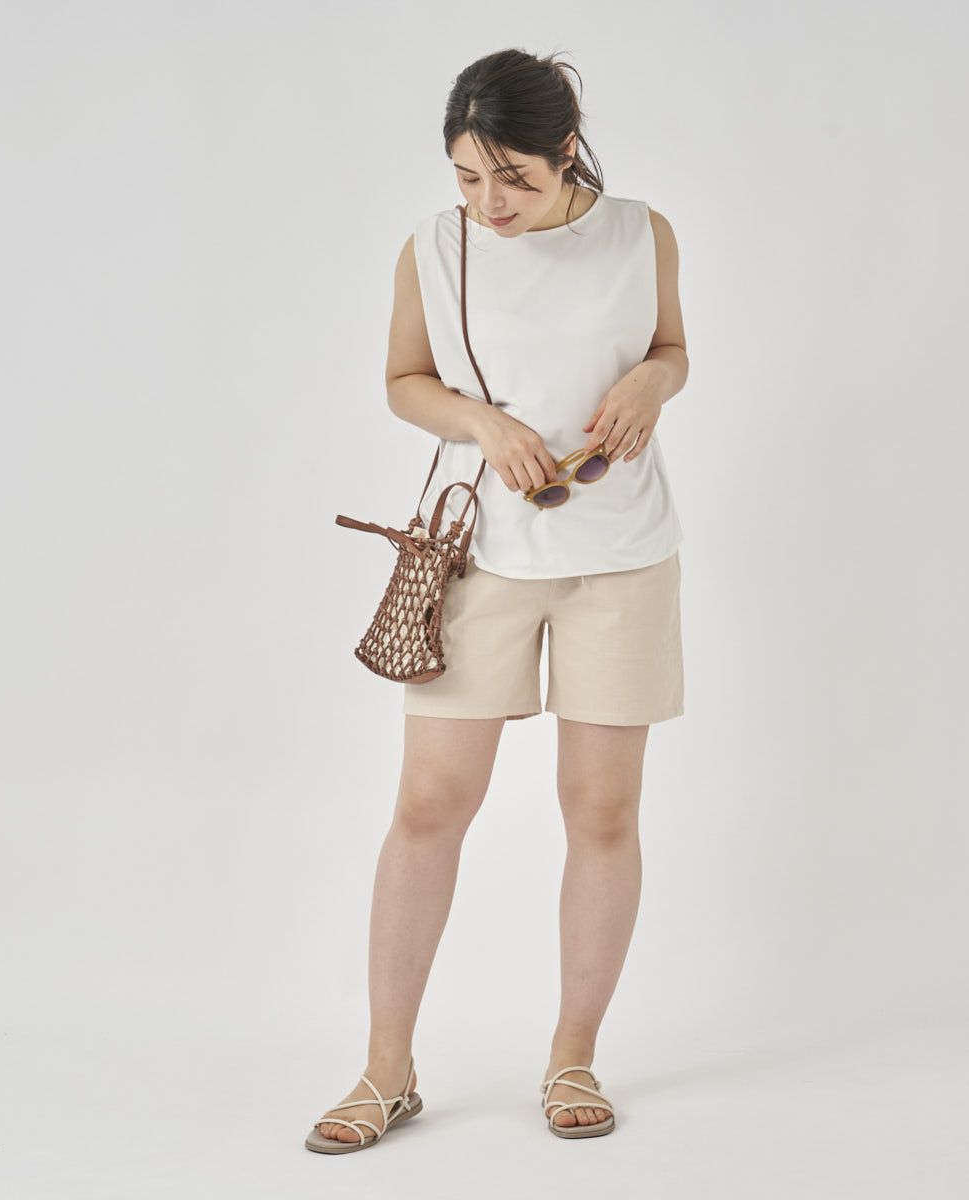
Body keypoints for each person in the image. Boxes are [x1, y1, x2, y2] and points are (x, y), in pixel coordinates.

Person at [306, 47, 688, 1153]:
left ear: (565, 151)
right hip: (477, 554)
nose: (488, 202)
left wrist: (650, 384)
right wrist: (486, 423)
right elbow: (404, 381)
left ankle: (573, 1056)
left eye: (512, 177)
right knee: (430, 804)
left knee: (601, 811)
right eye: (467, 176)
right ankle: (386, 1071)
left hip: (622, 554)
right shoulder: (434, 247)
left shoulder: (642, 235)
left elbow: (672, 350)